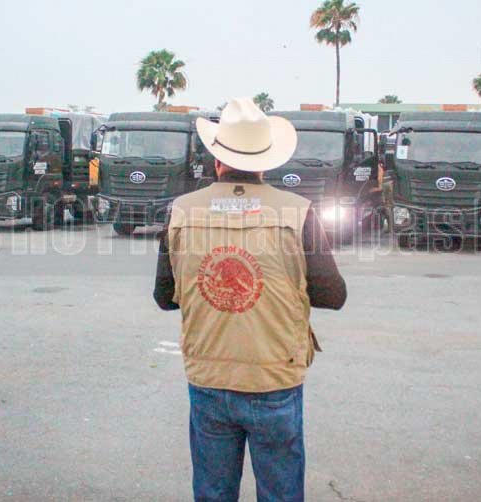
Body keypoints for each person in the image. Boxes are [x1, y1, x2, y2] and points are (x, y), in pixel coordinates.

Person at [153, 98, 347, 501]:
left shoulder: (181, 212)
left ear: (217, 161)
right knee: (280, 491)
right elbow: (333, 295)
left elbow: (164, 298)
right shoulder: (298, 212)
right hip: (274, 376)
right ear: (264, 163)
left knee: (214, 491)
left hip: (209, 377)